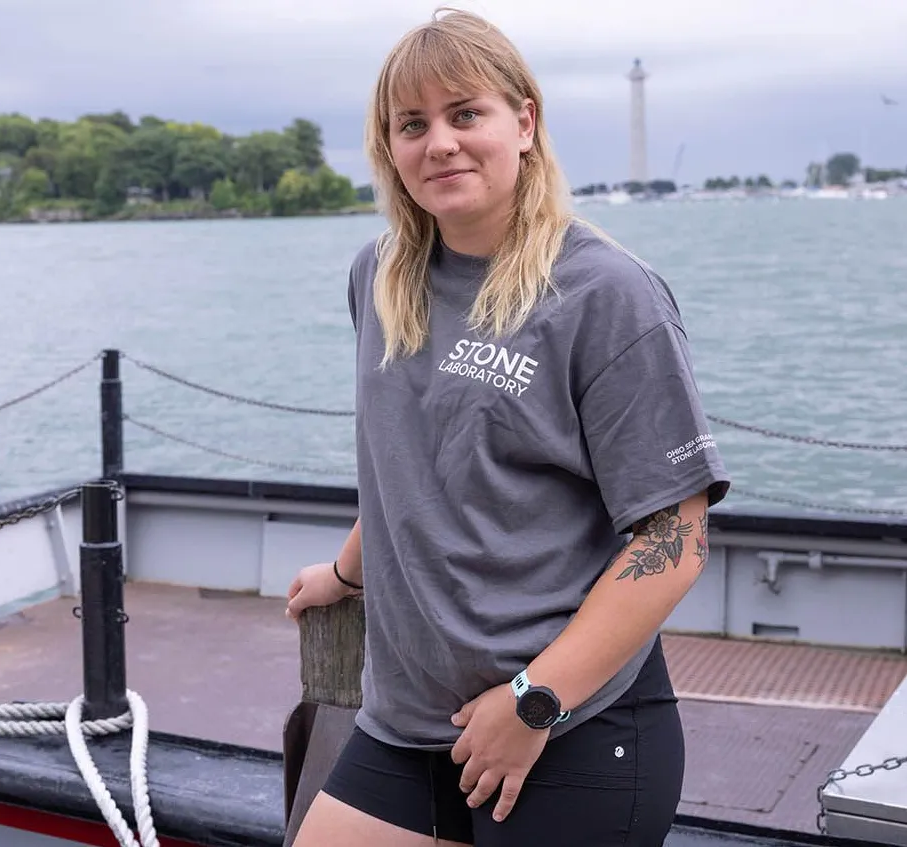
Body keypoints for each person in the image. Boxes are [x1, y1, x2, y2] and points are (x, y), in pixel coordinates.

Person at [285, 7, 731, 847]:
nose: (440, 143)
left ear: (524, 122)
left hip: (572, 728)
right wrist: (345, 575)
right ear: (390, 149)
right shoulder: (378, 278)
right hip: (409, 721)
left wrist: (534, 702)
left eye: (466, 114)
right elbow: (413, 466)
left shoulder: (606, 294)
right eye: (411, 125)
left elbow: (676, 537)